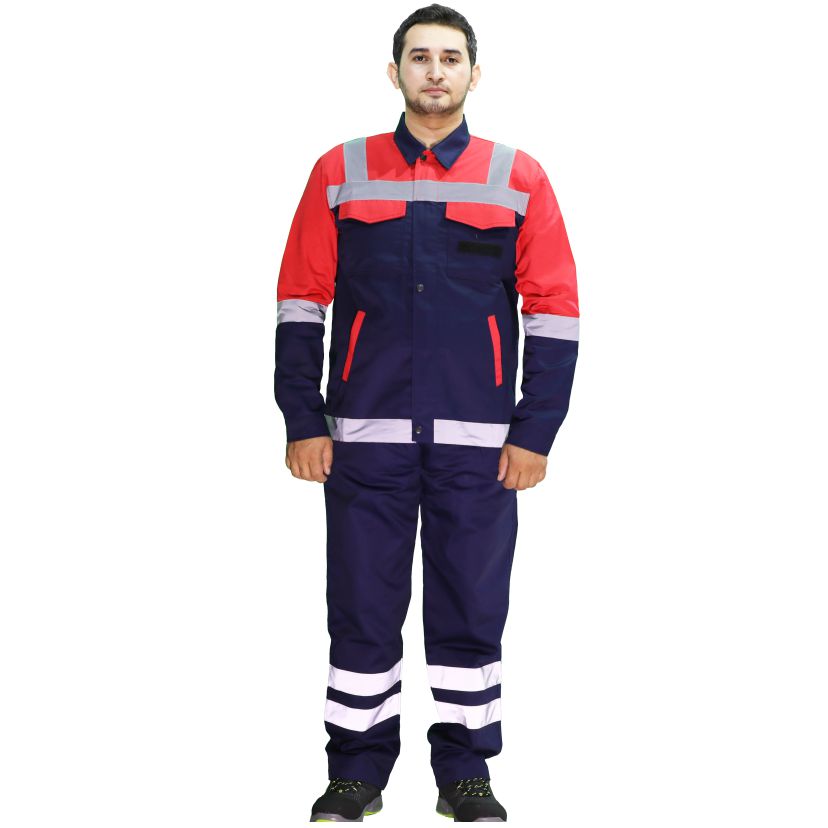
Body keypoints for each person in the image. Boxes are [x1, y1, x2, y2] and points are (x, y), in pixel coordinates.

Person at [273, 4, 579, 821]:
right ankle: (355, 773)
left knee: (471, 611)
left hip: (480, 447)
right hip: (363, 440)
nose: (434, 71)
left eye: (450, 58)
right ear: (394, 71)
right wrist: (302, 418)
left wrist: (536, 430)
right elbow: (301, 299)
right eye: (419, 57)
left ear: (474, 73)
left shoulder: (517, 176)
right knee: (361, 610)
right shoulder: (341, 169)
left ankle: (465, 773)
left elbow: (554, 310)